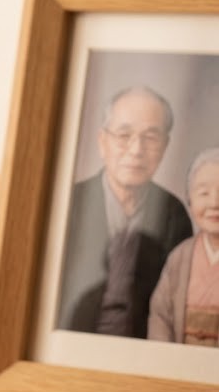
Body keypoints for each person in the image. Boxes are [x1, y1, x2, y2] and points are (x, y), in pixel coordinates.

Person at [57, 86, 192, 338]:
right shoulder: (70, 203)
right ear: (103, 142)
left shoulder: (174, 213)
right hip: (74, 339)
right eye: (124, 135)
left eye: (150, 138)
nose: (136, 149)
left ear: (165, 146)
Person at [148, 147, 219, 345]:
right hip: (178, 360)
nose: (214, 203)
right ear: (190, 200)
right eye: (204, 193)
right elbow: (160, 316)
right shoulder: (180, 257)